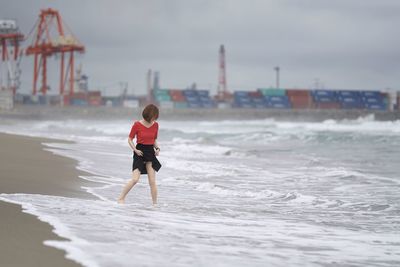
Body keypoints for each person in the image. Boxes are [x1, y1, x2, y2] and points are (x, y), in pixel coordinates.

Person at [118, 104, 161, 205]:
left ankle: (155, 204)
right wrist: (135, 150)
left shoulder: (156, 125)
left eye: (155, 117)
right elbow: (130, 139)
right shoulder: (137, 124)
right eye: (153, 117)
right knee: (135, 179)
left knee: (152, 181)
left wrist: (157, 148)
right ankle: (121, 198)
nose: (154, 119)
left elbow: (154, 139)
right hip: (139, 152)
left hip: (150, 152)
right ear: (147, 115)